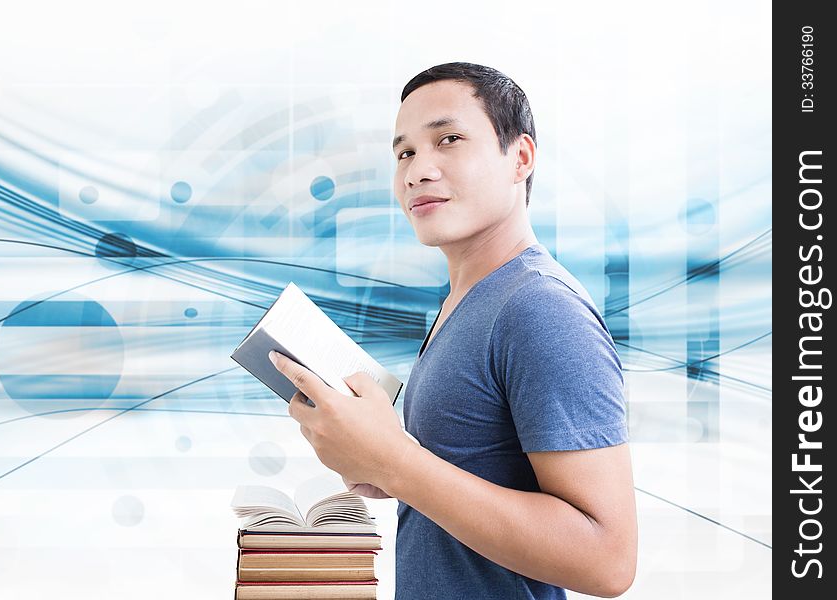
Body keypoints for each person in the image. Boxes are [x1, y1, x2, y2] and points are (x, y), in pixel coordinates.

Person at [269, 62, 637, 599]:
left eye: (449, 139)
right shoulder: (467, 303)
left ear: (521, 158)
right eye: (405, 153)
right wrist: (380, 463)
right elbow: (469, 478)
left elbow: (607, 561)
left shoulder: (539, 310)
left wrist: (396, 463)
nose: (418, 170)